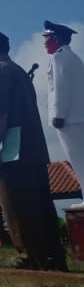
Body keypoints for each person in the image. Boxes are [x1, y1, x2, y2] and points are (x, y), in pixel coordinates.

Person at [0, 29, 66, 270]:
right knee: (42, 204)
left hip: (12, 151)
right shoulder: (19, 72)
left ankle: (31, 256)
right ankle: (55, 257)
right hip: (34, 149)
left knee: (17, 205)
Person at [43, 21, 84, 199]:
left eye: (48, 38)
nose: (45, 43)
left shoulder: (58, 57)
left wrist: (58, 115)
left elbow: (60, 87)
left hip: (69, 118)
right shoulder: (73, 57)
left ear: (57, 39)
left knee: (78, 161)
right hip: (78, 115)